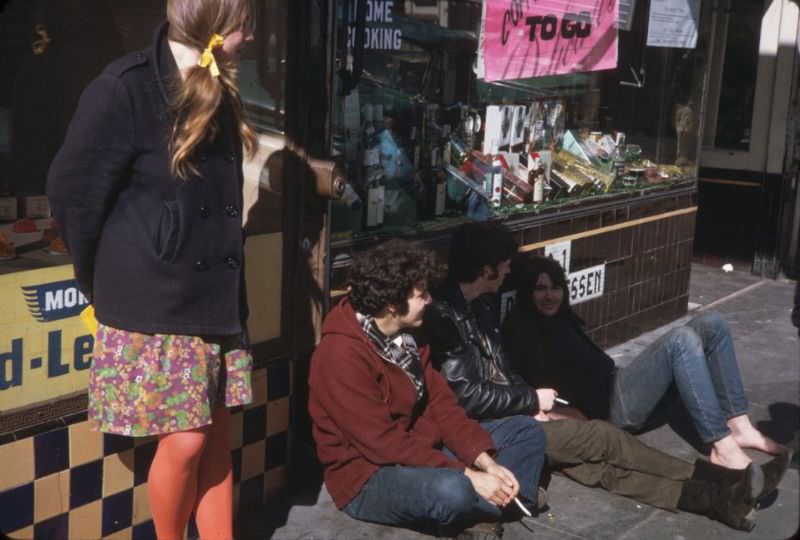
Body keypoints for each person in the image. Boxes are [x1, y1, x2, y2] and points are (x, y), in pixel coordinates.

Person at [46, 1, 258, 538]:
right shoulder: (125, 88)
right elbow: (72, 193)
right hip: (155, 299)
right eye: (245, 24)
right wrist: (100, 281)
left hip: (215, 294)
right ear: (217, 27)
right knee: (187, 439)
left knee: (214, 437)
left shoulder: (221, 89)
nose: (251, 37)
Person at [423, 222, 766, 531]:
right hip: (487, 428)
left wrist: (531, 401)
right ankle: (720, 479)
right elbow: (464, 395)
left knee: (595, 468)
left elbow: (504, 369)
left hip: (514, 415)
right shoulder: (444, 314)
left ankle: (717, 500)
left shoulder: (482, 304)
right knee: (602, 441)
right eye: (504, 265)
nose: (509, 270)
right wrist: (530, 401)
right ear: (487, 269)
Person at [308, 239, 546, 539]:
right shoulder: (339, 355)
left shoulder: (409, 336)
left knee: (526, 430)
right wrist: (468, 476)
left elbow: (443, 407)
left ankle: (490, 504)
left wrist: (485, 461)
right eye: (422, 295)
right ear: (393, 304)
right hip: (368, 476)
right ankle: (500, 502)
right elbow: (382, 444)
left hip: (423, 451)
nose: (430, 301)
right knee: (453, 490)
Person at [503, 256, 791, 490]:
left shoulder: (561, 319)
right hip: (612, 407)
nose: (550, 295)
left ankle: (739, 426)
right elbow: (530, 386)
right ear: (527, 293)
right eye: (540, 289)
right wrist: (557, 414)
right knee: (680, 341)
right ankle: (721, 446)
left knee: (712, 322)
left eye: (555, 287)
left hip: (618, 382)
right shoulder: (525, 332)